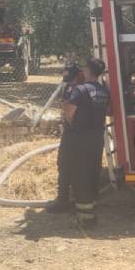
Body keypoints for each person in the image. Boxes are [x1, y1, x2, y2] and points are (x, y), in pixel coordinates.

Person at [46, 58, 109, 225]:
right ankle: (91, 205)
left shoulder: (80, 90)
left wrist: (67, 111)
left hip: (78, 136)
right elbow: (109, 111)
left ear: (87, 70)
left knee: (76, 170)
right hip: (97, 137)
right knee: (92, 170)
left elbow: (68, 113)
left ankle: (83, 215)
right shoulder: (103, 90)